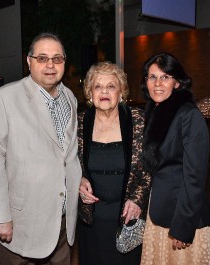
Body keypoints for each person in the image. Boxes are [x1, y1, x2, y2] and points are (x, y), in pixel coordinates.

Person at [0, 32, 82, 265]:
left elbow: (67, 156)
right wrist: (0, 217)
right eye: (42, 58)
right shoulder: (4, 98)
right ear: (28, 61)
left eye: (57, 59)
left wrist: (79, 180)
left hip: (63, 224)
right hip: (20, 226)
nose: (50, 65)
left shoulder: (70, 98)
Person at [140, 52, 210, 264]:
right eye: (152, 77)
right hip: (159, 211)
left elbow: (195, 178)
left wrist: (183, 227)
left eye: (165, 77)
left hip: (181, 217)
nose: (157, 83)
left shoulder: (190, 116)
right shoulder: (155, 111)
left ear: (178, 83)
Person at [77, 62, 151, 265]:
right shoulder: (79, 123)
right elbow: (68, 162)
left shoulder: (138, 120)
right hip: (91, 217)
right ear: (90, 93)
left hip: (127, 214)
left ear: (121, 92)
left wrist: (137, 199)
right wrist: (78, 180)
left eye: (111, 86)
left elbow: (149, 167)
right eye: (98, 86)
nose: (104, 91)